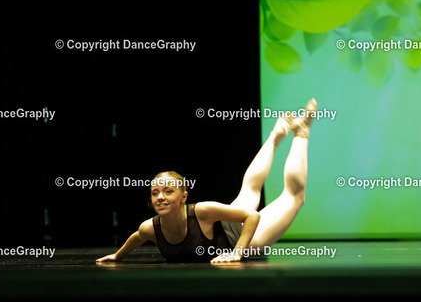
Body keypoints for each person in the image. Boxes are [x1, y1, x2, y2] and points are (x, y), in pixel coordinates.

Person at [96, 98, 317, 264]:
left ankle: (301, 132)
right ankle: (274, 138)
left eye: (168, 191)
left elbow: (253, 216)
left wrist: (238, 252)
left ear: (183, 197)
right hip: (227, 225)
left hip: (246, 238)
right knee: (250, 190)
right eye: (155, 193)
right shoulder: (149, 228)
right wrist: (117, 255)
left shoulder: (202, 210)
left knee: (294, 197)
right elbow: (136, 238)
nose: (160, 197)